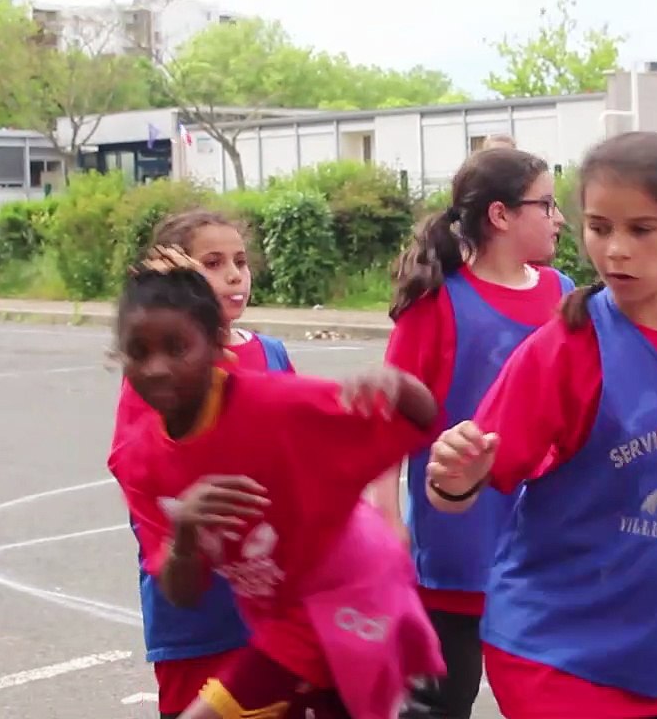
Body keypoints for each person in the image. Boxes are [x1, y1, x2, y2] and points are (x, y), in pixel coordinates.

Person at [423, 131, 657, 719]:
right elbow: (458, 492)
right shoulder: (568, 347)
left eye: (641, 230)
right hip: (559, 656)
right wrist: (453, 478)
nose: (615, 250)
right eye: (598, 227)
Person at [110, 255, 447, 719]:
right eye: (139, 351)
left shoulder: (277, 409)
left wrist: (401, 387)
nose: (158, 367)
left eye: (176, 347)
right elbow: (181, 592)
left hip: (347, 595)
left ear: (218, 345)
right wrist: (185, 536)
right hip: (278, 615)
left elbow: (421, 420)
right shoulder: (140, 462)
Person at [370, 147, 571, 719]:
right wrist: (387, 519)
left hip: (544, 545)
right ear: (502, 216)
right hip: (459, 542)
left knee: (551, 695)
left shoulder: (565, 295)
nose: (559, 219)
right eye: (547, 205)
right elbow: (388, 424)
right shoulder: (437, 305)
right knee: (441, 700)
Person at [108, 210, 293, 719]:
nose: (236, 275)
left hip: (277, 612)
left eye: (240, 261)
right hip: (199, 623)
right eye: (213, 263)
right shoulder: (160, 365)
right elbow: (139, 468)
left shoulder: (272, 353)